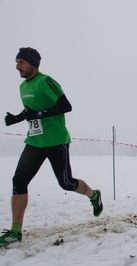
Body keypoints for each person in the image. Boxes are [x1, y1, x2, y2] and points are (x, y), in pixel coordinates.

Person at [0, 47, 103, 246]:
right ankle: (15, 231)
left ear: (32, 63)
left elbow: (65, 105)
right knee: (19, 180)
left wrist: (38, 115)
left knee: (66, 183)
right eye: (16, 62)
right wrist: (17, 117)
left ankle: (94, 194)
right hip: (35, 142)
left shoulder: (46, 81)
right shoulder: (23, 87)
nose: (17, 66)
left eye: (21, 62)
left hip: (56, 141)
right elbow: (31, 110)